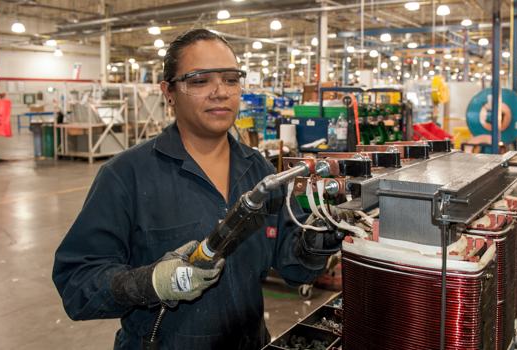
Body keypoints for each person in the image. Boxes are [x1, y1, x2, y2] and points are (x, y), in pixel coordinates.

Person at [52, 29, 340, 350]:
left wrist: (320, 239)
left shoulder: (258, 171)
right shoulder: (125, 176)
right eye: (200, 80)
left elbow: (294, 269)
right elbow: (77, 285)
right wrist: (153, 283)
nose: (220, 92)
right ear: (169, 92)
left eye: (231, 79)